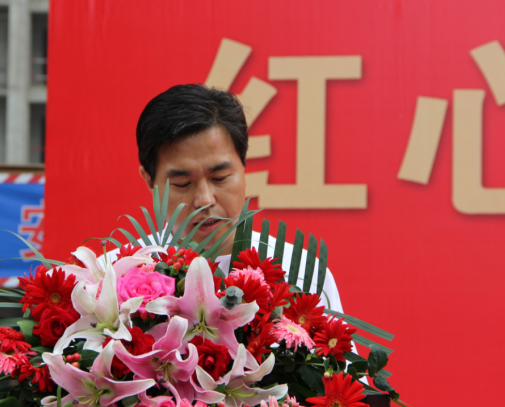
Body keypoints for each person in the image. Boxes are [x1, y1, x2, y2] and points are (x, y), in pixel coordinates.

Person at [102, 84, 344, 313]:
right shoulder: (112, 276)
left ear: (244, 167)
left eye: (219, 178)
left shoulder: (301, 273)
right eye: (182, 183)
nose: (204, 200)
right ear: (150, 181)